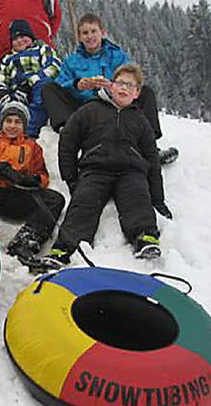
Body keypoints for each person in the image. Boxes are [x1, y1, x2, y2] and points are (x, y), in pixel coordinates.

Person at [43, 64, 171, 267]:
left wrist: (158, 198)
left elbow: (152, 161)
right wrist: (71, 179)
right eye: (120, 82)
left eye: (130, 85)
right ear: (111, 85)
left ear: (137, 93)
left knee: (137, 197)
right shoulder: (90, 110)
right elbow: (68, 141)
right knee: (83, 203)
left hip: (130, 172)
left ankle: (145, 237)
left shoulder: (140, 120)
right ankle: (65, 248)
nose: (124, 88)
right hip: (95, 170)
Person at [41, 12, 178, 164]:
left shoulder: (117, 56)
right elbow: (61, 83)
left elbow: (132, 78)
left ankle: (149, 145)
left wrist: (113, 85)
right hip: (83, 109)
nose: (90, 36)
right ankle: (69, 132)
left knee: (145, 92)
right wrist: (77, 84)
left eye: (94, 31)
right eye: (85, 33)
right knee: (48, 88)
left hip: (113, 104)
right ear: (79, 37)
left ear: (102, 33)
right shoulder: (71, 61)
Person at [0, 101, 65, 265]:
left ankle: (25, 242)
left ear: (24, 126)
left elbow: (42, 174)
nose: (12, 126)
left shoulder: (32, 147)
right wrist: (0, 168)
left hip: (14, 193)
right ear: (2, 123)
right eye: (8, 121)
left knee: (54, 199)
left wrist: (35, 180)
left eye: (17, 122)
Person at [0, 19, 61, 138]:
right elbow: (0, 81)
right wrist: (5, 97)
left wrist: (29, 84)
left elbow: (53, 68)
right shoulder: (8, 59)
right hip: (16, 95)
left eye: (23, 36)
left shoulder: (42, 50)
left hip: (36, 88)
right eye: (15, 39)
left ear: (31, 37)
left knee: (45, 88)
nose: (19, 41)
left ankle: (29, 129)